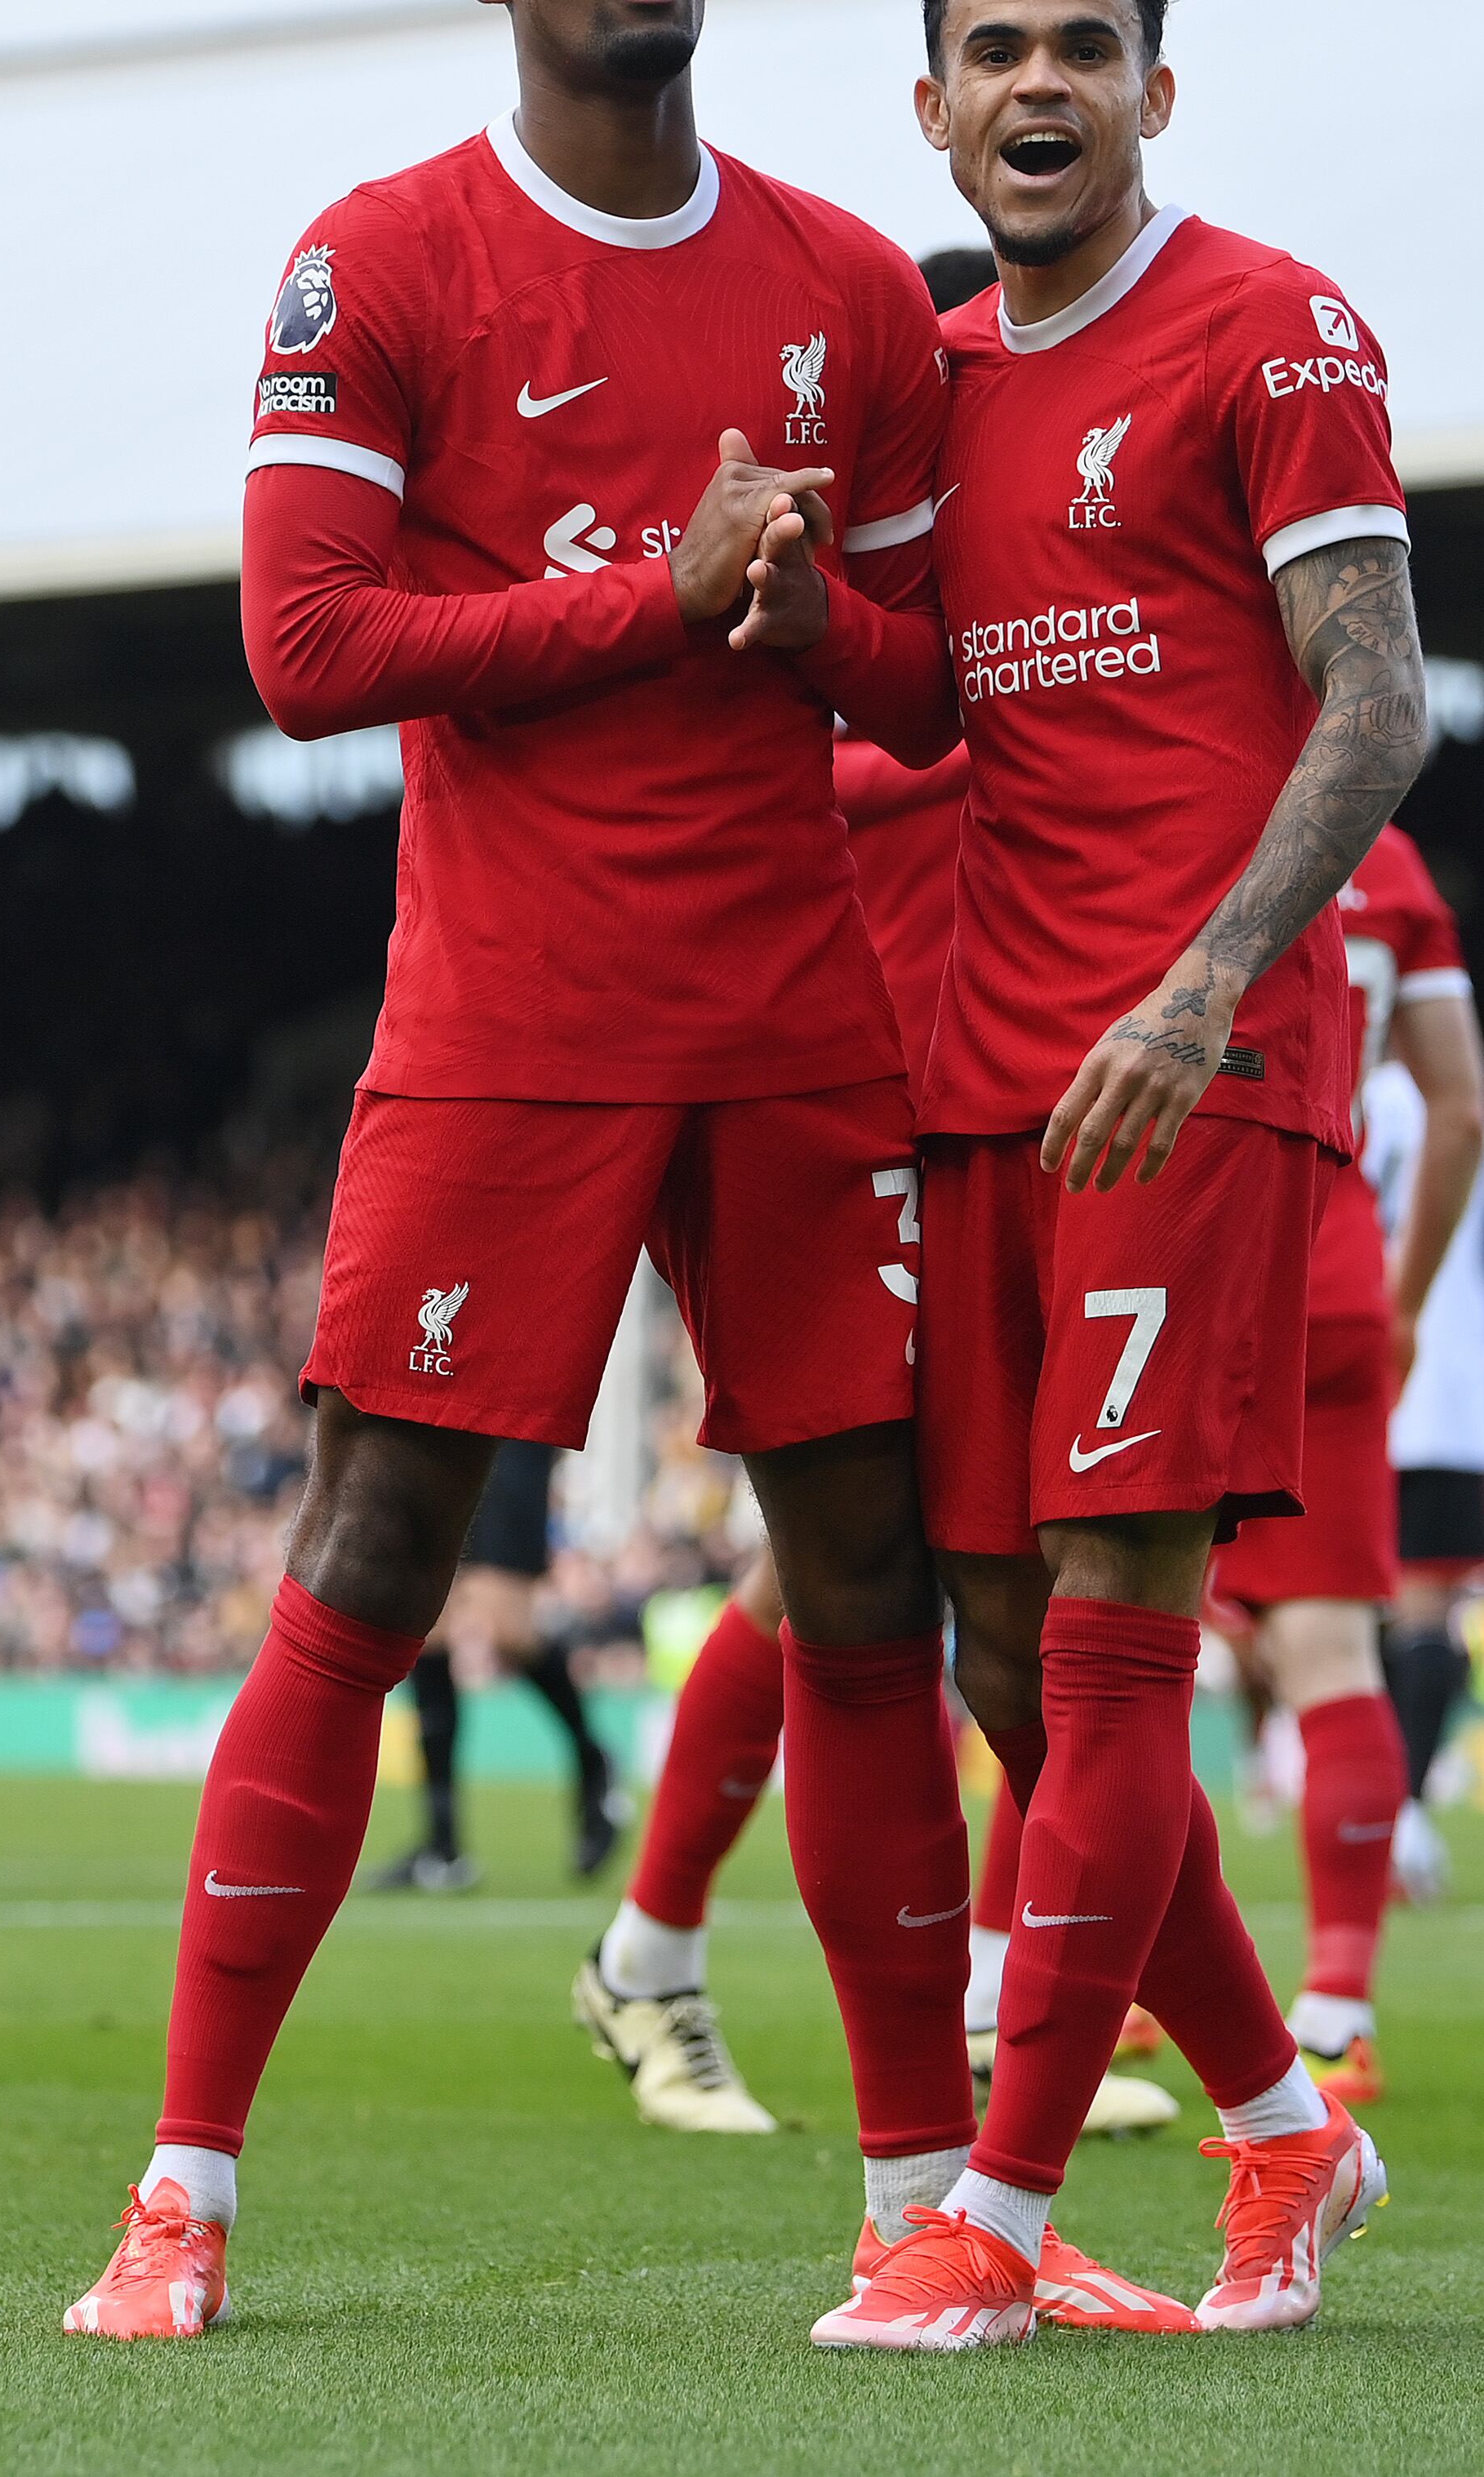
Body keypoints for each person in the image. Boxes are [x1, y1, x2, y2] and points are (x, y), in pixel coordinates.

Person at [73, 0, 1001, 2342]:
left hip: (798, 1021)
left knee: (864, 1594)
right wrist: (646, 594)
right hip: (511, 1024)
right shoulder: (383, 259)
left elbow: (924, 692)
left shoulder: (844, 290)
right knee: (369, 1564)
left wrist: (804, 629)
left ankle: (925, 2206)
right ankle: (181, 2194)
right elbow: (307, 655)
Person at [815, 0, 1424, 2349]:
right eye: (994, 50)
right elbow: (930, 707)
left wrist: (1202, 991)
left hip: (1187, 1068)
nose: (1039, 85)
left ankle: (999, 2201)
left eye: (1086, 45)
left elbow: (1375, 696)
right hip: (983, 1078)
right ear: (932, 105)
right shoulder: (934, 380)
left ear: (1155, 89)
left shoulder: (1270, 324)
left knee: (1111, 1647)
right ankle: (1286, 2133)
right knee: (996, 1658)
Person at [578, 725, 1180, 2152]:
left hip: (983, 1129)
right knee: (852, 1567)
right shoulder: (800, 643)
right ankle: (651, 1961)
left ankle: (943, 1985)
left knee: (973, 1571)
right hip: (849, 1139)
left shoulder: (965, 604)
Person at [1198, 823, 1467, 2107]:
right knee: (1333, 1656)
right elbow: (1461, 1104)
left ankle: (1039, 1979)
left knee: (1092, 1628)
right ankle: (1337, 2007)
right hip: (1338, 1270)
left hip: (1188, 1238)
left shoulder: (1179, 786)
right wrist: (1405, 1297)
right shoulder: (1393, 861)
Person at [1366, 870, 1484, 1906]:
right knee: (1426, 1610)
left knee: (1334, 1616)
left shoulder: (1352, 1090)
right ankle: (1403, 1806)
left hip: (1350, 1353)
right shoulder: (1482, 1120)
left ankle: (1381, 1804)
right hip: (1451, 1380)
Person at [368, 1438, 622, 1892]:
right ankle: (443, 1847)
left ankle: (594, 1762)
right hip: (438, 1419)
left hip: (511, 1426)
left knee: (508, 1629)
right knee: (430, 1624)